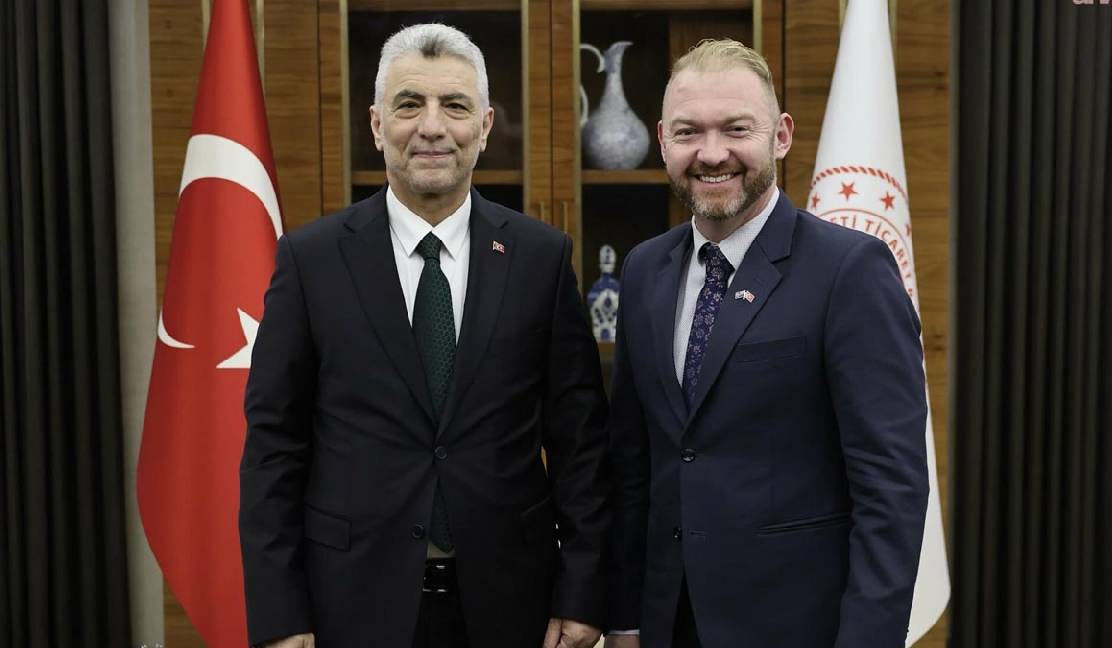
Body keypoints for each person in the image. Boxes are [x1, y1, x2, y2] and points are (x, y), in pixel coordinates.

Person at [239, 23, 608, 648]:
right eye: (409, 105)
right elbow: (274, 447)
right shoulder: (312, 261)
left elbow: (581, 446)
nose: (432, 127)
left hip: (512, 604)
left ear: (485, 126)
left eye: (455, 106)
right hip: (349, 604)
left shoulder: (541, 259)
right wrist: (281, 616)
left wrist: (583, 593)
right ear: (378, 124)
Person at [605, 39, 928, 648]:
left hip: (800, 627)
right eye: (689, 132)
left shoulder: (850, 271)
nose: (712, 153)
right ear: (663, 140)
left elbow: (892, 491)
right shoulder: (645, 269)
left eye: (736, 129)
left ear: (780, 135)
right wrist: (624, 617)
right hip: (667, 622)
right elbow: (633, 466)